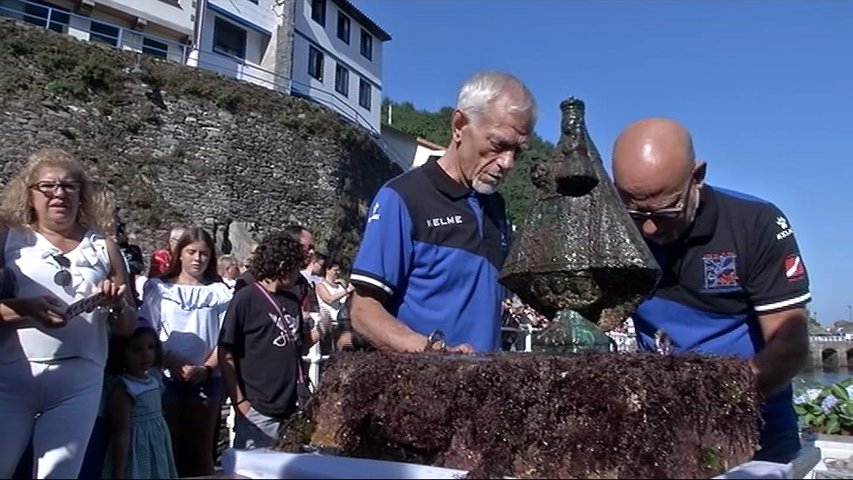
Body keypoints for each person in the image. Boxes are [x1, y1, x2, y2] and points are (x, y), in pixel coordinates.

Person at [610, 117, 810, 463]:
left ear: (697, 177)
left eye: (666, 210)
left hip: (755, 422)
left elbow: (789, 344)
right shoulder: (612, 231)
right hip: (661, 425)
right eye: (634, 210)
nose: (649, 227)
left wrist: (716, 402)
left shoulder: (756, 224)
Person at [349, 71, 536, 353]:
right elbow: (363, 311)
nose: (507, 163)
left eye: (518, 152)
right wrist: (430, 351)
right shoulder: (402, 197)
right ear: (459, 125)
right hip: (420, 390)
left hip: (485, 390)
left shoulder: (497, 210)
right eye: (498, 145)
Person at [0, 148, 136, 479]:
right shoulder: (8, 237)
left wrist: (117, 306)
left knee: (59, 474)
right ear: (29, 194)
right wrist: (24, 309)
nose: (58, 193)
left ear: (82, 195)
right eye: (47, 186)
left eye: (69, 186)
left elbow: (127, 325)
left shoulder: (104, 246)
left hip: (80, 378)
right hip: (12, 376)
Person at [219, 230, 326, 449]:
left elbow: (295, 345)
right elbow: (225, 352)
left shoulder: (292, 300)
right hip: (258, 409)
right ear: (283, 264)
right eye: (296, 267)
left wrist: (318, 333)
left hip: (291, 407)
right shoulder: (246, 298)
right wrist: (240, 402)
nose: (299, 274)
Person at [139, 227, 232, 477]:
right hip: (166, 376)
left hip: (207, 378)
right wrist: (171, 361)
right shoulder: (160, 290)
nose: (197, 259)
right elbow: (147, 329)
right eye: (191, 252)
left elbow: (225, 338)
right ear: (179, 254)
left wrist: (207, 368)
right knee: (169, 445)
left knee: (201, 449)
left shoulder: (219, 292)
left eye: (204, 253)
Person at [102, 322, 178, 479]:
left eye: (151, 347)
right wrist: (118, 472)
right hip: (136, 448)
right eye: (137, 349)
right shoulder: (124, 387)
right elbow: (121, 432)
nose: (146, 354)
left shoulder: (154, 380)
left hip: (157, 445)